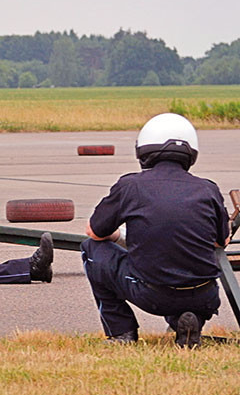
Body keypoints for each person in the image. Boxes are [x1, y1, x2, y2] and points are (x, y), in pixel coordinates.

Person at [80, 113, 231, 348]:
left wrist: (119, 236)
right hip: (205, 296)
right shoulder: (208, 189)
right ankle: (189, 320)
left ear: (143, 151)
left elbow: (95, 232)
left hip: (152, 295)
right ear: (191, 154)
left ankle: (121, 332)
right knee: (185, 265)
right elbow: (221, 242)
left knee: (90, 249)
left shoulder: (130, 186)